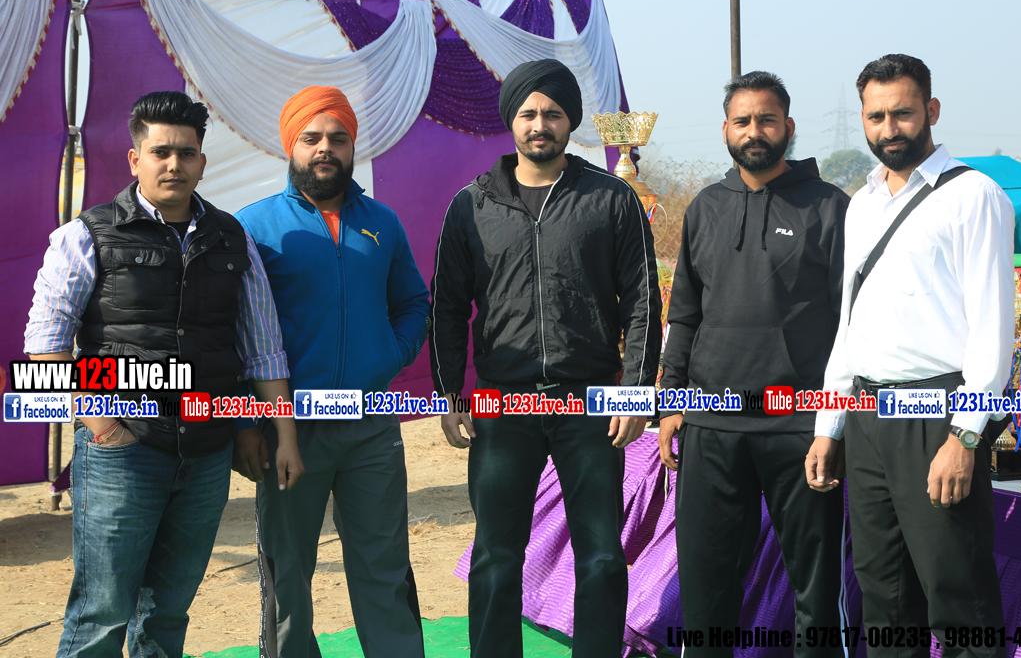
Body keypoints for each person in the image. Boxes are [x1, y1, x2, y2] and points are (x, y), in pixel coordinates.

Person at [24, 91, 303, 658]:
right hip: (122, 453)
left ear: (202, 161)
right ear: (136, 159)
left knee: (169, 612)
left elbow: (263, 349)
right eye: (160, 152)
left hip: (206, 456)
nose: (174, 164)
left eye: (186, 153)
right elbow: (45, 348)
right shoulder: (87, 235)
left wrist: (283, 433)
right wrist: (105, 427)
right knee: (101, 612)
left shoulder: (232, 239)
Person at [430, 58, 662, 658]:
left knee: (602, 556)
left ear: (570, 122)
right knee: (495, 554)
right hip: (503, 406)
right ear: (512, 121)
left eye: (553, 113)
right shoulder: (472, 205)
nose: (540, 124)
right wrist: (448, 392)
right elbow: (447, 306)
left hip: (590, 404)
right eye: (529, 113)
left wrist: (637, 391)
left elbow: (642, 299)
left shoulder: (610, 198)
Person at [806, 54, 1013, 656]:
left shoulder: (973, 195)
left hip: (937, 414)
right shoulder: (862, 203)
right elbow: (849, 325)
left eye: (902, 113)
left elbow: (992, 330)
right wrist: (829, 426)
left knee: (958, 595)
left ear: (932, 110)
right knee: (884, 598)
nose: (889, 128)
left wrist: (965, 437)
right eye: (876, 116)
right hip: (868, 416)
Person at [657, 71, 849, 657]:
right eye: (742, 121)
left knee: (815, 590)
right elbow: (684, 315)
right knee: (706, 586)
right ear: (725, 130)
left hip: (800, 425)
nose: (754, 131)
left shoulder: (831, 207)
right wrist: (671, 401)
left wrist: (834, 421)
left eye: (767, 119)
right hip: (711, 423)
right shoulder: (705, 208)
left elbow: (851, 325)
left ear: (788, 126)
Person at [235, 86, 431, 658]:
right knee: (287, 573)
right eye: (311, 138)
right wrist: (245, 423)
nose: (325, 148)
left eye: (338, 139)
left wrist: (388, 355)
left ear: (351, 147)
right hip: (288, 430)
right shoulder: (253, 228)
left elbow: (413, 303)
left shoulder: (383, 223)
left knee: (384, 566)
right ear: (290, 146)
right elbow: (233, 331)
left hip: (372, 429)